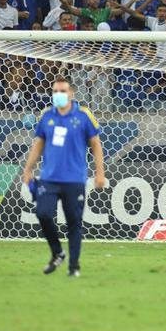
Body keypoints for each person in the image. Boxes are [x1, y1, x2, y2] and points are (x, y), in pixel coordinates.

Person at [21, 75, 107, 278]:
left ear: (71, 93)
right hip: (49, 178)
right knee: (42, 213)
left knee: (74, 223)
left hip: (74, 179)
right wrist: (28, 169)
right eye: (55, 91)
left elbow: (96, 144)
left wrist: (100, 173)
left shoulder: (83, 115)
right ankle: (58, 252)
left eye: (62, 91)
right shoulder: (46, 116)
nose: (58, 94)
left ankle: (73, 266)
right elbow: (38, 144)